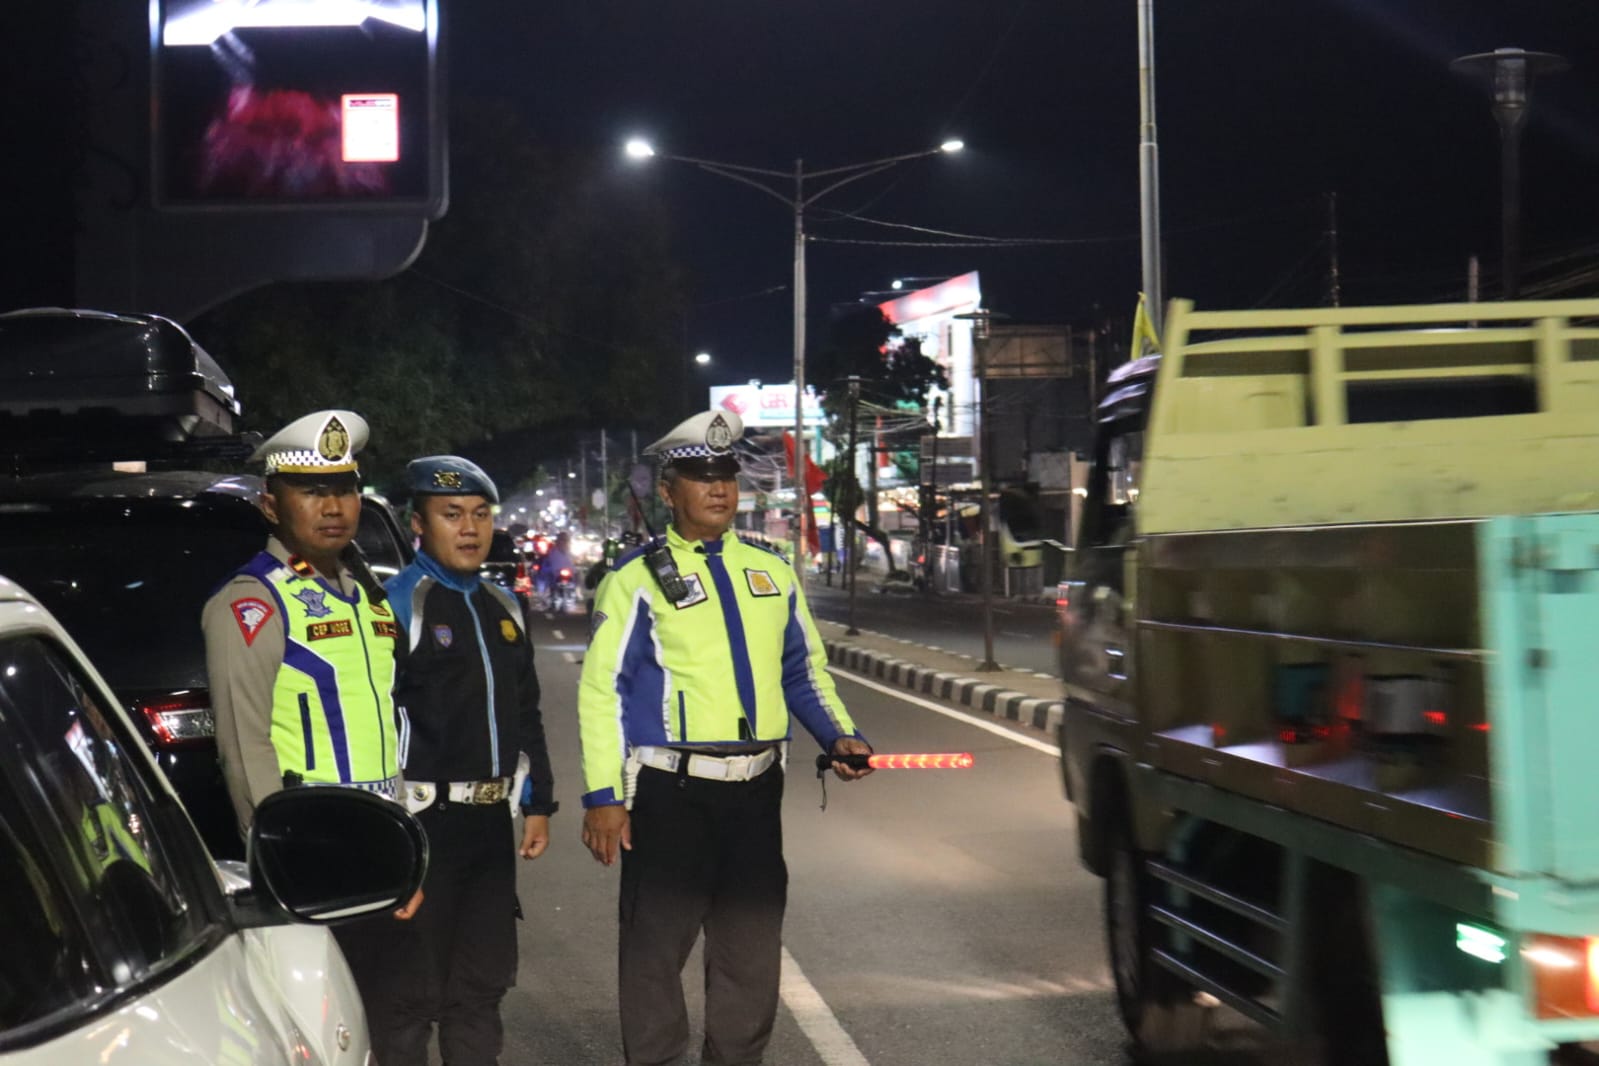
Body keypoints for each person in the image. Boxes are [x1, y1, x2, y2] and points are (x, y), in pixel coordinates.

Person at [577, 408, 874, 1066]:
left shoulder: (770, 572)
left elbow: (802, 671)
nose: (717, 487)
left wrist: (839, 736)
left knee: (750, 959)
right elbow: (603, 692)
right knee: (654, 959)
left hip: (754, 797)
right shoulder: (635, 581)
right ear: (666, 491)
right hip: (668, 795)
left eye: (725, 474)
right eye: (697, 475)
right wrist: (602, 794)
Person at [201, 410, 420, 1038]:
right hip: (313, 862)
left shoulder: (365, 593)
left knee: (394, 1023)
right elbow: (244, 753)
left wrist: (403, 854)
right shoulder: (251, 602)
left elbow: (385, 724)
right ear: (271, 505)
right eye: (312, 490)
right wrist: (286, 874)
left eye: (345, 488)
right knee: (327, 1035)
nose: (334, 506)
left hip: (380, 849)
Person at [380, 455, 560, 1066]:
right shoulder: (397, 605)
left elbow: (527, 713)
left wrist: (538, 803)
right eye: (451, 514)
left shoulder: (504, 606)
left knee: (481, 988)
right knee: (408, 995)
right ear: (419, 525)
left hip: (488, 828)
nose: (469, 528)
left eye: (480, 515)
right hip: (422, 827)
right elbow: (376, 720)